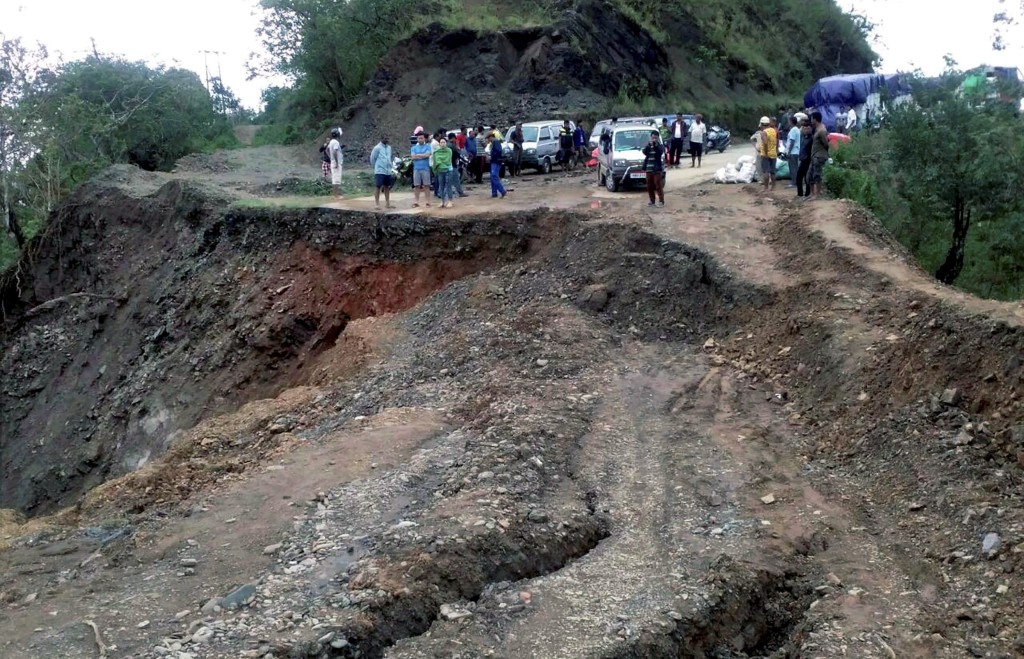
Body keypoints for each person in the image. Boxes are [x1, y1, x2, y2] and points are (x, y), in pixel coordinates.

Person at [806, 111, 830, 201]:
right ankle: (812, 194)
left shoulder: (822, 130)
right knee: (810, 176)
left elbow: (826, 144)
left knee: (817, 175)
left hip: (819, 156)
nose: (811, 120)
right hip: (815, 155)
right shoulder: (817, 129)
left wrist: (824, 154)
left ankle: (817, 195)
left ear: (815, 119)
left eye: (812, 118)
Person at [642, 130, 666, 207]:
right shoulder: (648, 145)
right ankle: (652, 201)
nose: (654, 139)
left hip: (656, 169)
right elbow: (644, 152)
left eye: (655, 138)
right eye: (653, 138)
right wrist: (649, 145)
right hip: (648, 168)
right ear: (651, 137)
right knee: (649, 186)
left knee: (658, 185)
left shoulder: (660, 146)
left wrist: (655, 145)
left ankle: (661, 201)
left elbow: (660, 152)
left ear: (658, 138)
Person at [369, 134, 394, 209]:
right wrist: (376, 167)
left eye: (388, 138)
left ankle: (387, 203)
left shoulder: (389, 148)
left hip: (388, 171)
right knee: (378, 186)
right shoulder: (377, 148)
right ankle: (377, 204)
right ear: (381, 139)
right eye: (385, 138)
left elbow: (389, 157)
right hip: (380, 171)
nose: (387, 140)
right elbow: (372, 159)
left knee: (387, 187)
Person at [755, 116, 778, 192]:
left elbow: (765, 143)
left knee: (766, 171)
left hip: (766, 154)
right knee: (773, 171)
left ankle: (766, 187)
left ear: (762, 124)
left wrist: (765, 152)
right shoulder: (773, 130)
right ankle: (774, 187)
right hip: (773, 153)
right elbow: (776, 141)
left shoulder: (763, 132)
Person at [410, 132, 432, 207]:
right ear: (417, 139)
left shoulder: (428, 146)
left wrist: (418, 155)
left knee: (426, 185)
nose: (420, 139)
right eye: (419, 138)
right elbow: (413, 157)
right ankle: (416, 202)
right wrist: (423, 156)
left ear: (424, 139)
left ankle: (428, 202)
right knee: (416, 186)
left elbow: (428, 155)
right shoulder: (413, 148)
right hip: (416, 169)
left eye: (422, 138)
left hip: (425, 168)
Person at [432, 136, 455, 208]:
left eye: (444, 142)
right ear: (439, 144)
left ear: (446, 143)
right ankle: (442, 201)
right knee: (441, 186)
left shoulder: (449, 150)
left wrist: (441, 163)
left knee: (448, 186)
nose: (442, 144)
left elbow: (448, 160)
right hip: (440, 170)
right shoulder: (436, 152)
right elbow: (436, 161)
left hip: (448, 170)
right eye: (441, 142)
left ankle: (450, 201)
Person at [447, 131, 468, 197]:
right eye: (454, 138)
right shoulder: (452, 145)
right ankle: (460, 192)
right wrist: (464, 160)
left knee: (448, 180)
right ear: (452, 138)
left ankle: (444, 193)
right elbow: (458, 154)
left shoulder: (446, 145)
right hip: (453, 164)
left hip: (447, 164)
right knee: (456, 179)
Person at [796, 118, 813, 197]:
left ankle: (807, 194)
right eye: (804, 129)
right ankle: (800, 194)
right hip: (802, 159)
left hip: (808, 160)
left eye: (808, 128)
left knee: (807, 178)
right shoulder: (802, 136)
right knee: (799, 177)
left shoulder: (812, 138)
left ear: (811, 129)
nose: (806, 130)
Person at [487, 132, 507, 198]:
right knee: (493, 177)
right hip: (495, 161)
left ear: (490, 137)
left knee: (494, 176)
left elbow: (498, 151)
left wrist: (491, 156)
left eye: (488, 138)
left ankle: (502, 191)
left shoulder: (495, 142)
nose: (488, 140)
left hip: (496, 161)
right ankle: (494, 193)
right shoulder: (495, 142)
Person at [784, 116, 801, 189]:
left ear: (791, 121)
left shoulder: (793, 130)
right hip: (796, 151)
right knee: (795, 167)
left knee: (792, 168)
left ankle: (793, 182)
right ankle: (796, 181)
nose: (788, 122)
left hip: (793, 152)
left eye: (789, 121)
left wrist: (788, 151)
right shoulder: (797, 129)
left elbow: (792, 141)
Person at [327, 127, 344, 198]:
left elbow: (327, 150)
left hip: (333, 161)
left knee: (334, 178)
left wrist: (331, 158)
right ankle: (336, 196)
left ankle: (335, 195)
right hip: (336, 162)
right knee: (336, 179)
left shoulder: (331, 142)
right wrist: (336, 162)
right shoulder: (336, 142)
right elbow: (335, 152)